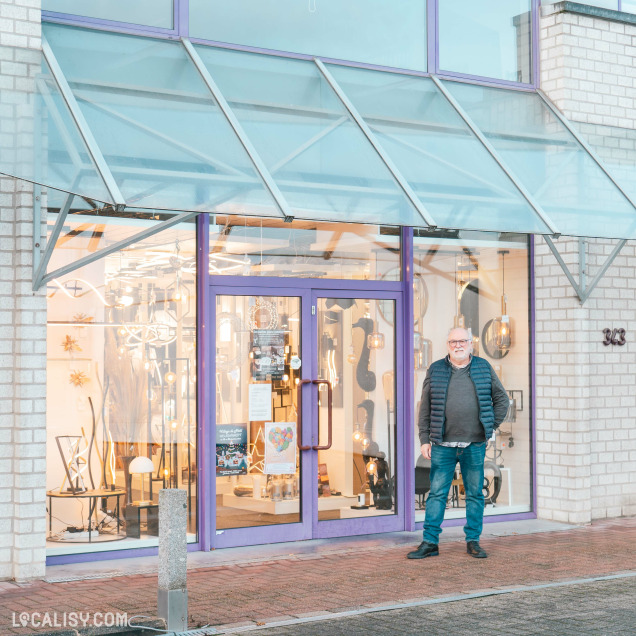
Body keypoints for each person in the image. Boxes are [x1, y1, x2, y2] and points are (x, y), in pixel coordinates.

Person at [407, 327, 509, 560]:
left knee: (474, 494)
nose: (458, 345)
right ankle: (430, 542)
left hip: (474, 443)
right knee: (437, 494)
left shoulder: (483, 367)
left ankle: (473, 541)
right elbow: (425, 407)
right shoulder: (436, 369)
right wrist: (424, 439)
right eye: (453, 341)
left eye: (462, 341)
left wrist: (490, 426)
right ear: (448, 345)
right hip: (442, 444)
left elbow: (502, 399)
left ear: (471, 343)